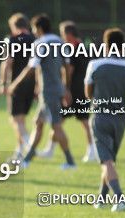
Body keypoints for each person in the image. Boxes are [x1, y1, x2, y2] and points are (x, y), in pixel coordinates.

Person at [8, 14, 76, 170]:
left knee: (56, 126)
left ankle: (70, 161)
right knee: (38, 123)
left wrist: (14, 84)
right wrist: (66, 88)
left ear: (38, 28)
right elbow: (65, 68)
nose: (33, 32)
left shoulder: (40, 43)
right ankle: (27, 159)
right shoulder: (60, 42)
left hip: (49, 92)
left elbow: (31, 68)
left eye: (34, 29)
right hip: (55, 89)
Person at [84, 28, 125, 212]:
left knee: (107, 162)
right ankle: (101, 199)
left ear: (105, 44)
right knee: (109, 160)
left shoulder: (95, 65)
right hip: (120, 120)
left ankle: (120, 199)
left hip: (100, 117)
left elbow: (88, 93)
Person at [38, 21, 95, 162]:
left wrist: (64, 89)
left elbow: (69, 70)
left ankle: (91, 150)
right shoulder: (84, 46)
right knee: (64, 121)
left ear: (69, 34)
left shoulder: (72, 48)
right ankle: (50, 149)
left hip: (73, 92)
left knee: (76, 122)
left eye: (63, 34)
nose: (62, 37)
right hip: (81, 91)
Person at [0, 13, 35, 160]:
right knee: (21, 118)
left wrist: (2, 82)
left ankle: (28, 145)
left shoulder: (12, 40)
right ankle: (19, 151)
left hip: (15, 84)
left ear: (14, 26)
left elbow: (7, 62)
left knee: (15, 119)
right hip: (31, 84)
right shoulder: (35, 40)